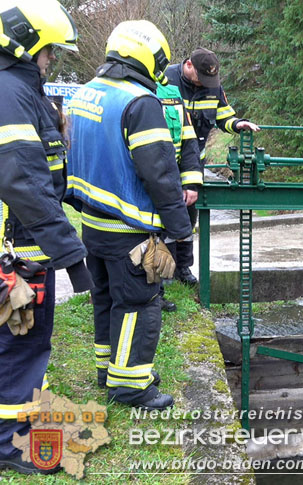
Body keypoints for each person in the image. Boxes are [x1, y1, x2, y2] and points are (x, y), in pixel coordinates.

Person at [65, 20, 192, 410]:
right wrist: (180, 228)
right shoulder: (140, 103)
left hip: (93, 226)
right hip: (129, 227)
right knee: (138, 304)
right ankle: (132, 386)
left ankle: (109, 369)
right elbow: (160, 171)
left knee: (106, 300)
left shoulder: (85, 93)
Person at [0, 0, 93, 474]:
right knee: (21, 345)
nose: (51, 59)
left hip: (24, 247)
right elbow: (23, 183)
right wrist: (73, 255)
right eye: (48, 51)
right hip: (18, 255)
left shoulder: (19, 88)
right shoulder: (10, 91)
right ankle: (9, 444)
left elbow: (47, 172)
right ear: (23, 43)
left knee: (21, 343)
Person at [164, 47, 260, 285]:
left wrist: (238, 124)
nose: (205, 83)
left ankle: (183, 269)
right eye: (201, 77)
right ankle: (164, 270)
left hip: (196, 163)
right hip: (166, 162)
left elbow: (223, 116)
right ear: (188, 65)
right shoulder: (166, 81)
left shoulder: (213, 86)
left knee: (189, 216)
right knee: (164, 215)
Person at [155, 78, 202, 312]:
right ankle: (160, 283)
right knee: (153, 234)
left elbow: (188, 141)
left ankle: (179, 270)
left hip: (172, 176)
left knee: (183, 225)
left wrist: (191, 182)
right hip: (146, 178)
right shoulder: (127, 90)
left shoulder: (172, 93)